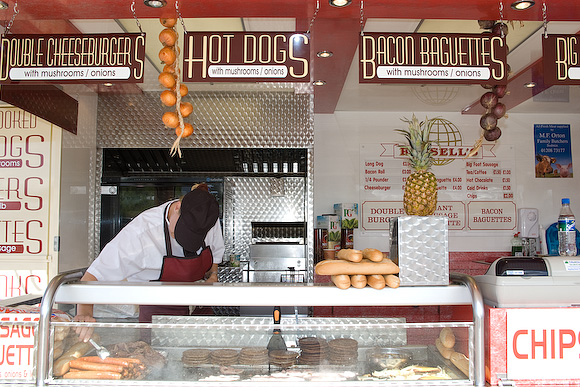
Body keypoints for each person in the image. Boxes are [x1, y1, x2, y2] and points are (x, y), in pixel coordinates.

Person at [74, 183, 224, 341]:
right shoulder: (140, 232)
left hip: (199, 307)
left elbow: (215, 253)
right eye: (180, 231)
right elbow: (93, 276)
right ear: (177, 207)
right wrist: (84, 314)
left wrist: (213, 275)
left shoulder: (206, 217)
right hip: (159, 312)